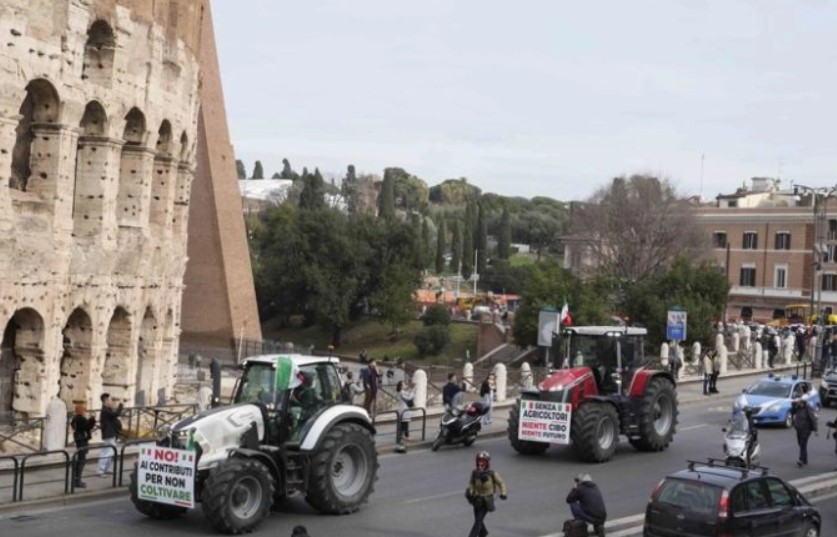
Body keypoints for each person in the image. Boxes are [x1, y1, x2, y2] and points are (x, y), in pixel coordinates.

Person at [465, 451, 507, 537]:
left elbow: (501, 483)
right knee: (477, 518)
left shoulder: (492, 474)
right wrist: (471, 491)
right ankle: (483, 533)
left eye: (483, 461)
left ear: (487, 463)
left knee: (478, 520)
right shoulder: (474, 473)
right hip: (476, 499)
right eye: (479, 461)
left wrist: (503, 493)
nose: (480, 464)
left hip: (487, 500)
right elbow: (471, 483)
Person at [790, 384, 818, 467]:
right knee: (801, 444)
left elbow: (813, 419)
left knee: (803, 444)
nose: (800, 403)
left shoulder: (808, 409)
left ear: (804, 403)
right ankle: (805, 459)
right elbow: (792, 411)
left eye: (801, 402)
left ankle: (801, 460)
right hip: (799, 429)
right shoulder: (798, 408)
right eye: (799, 402)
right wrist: (795, 404)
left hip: (806, 430)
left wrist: (815, 430)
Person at [70, 402, 96, 488]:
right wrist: (92, 419)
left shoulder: (75, 419)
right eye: (84, 410)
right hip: (82, 441)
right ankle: (77, 481)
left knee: (80, 460)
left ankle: (76, 479)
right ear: (81, 411)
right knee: (81, 461)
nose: (85, 412)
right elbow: (88, 427)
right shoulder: (81, 419)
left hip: (78, 440)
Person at [97, 393, 123, 477]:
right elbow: (116, 415)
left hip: (112, 433)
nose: (111, 401)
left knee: (110, 451)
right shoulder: (105, 410)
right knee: (107, 452)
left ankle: (106, 468)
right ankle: (101, 470)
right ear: (106, 401)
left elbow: (114, 417)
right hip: (108, 433)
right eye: (110, 400)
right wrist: (121, 405)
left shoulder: (108, 409)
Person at [396, 380, 414, 447]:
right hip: (404, 409)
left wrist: (411, 390)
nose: (405, 385)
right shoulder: (401, 392)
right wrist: (412, 392)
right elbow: (409, 398)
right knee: (405, 423)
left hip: (404, 409)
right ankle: (406, 436)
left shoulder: (402, 392)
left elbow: (408, 395)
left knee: (404, 423)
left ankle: (403, 436)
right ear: (401, 386)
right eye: (404, 384)